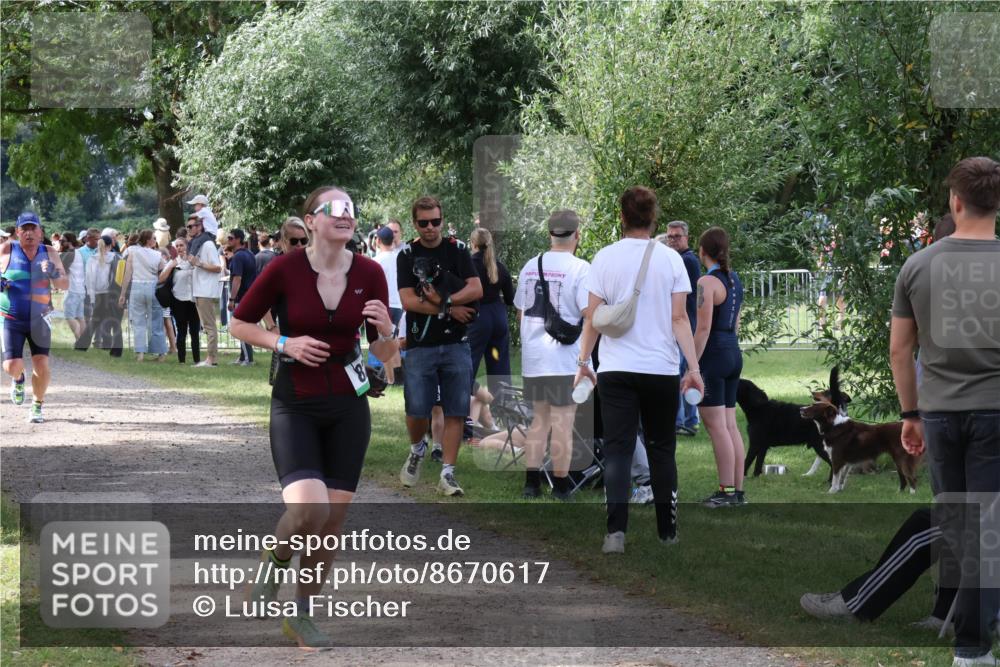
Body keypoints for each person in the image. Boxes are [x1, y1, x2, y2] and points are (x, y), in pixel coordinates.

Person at [229, 185, 396, 649]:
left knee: (332, 519)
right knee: (309, 510)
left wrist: (388, 332)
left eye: (350, 209)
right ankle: (275, 560)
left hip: (348, 407)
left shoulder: (369, 273)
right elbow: (238, 323)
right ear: (312, 219)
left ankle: (300, 615)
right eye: (334, 209)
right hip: (295, 403)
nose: (345, 215)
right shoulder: (284, 268)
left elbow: (385, 357)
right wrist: (285, 343)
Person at [889, 156, 1000, 667]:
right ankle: (973, 646)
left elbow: (899, 350)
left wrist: (910, 414)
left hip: (939, 413)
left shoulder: (918, 265)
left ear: (955, 202)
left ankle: (969, 642)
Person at [574, 186, 703, 554]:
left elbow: (593, 319)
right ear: (654, 218)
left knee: (617, 449)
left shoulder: (604, 258)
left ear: (622, 216)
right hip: (660, 369)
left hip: (616, 369)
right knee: (662, 449)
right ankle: (668, 531)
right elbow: (680, 319)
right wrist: (693, 367)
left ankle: (615, 533)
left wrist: (584, 363)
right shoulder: (671, 260)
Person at [396, 196, 483, 497]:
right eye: (424, 223)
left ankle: (448, 474)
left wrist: (443, 302)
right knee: (417, 409)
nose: (430, 228)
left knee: (456, 410)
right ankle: (418, 447)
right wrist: (448, 309)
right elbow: (408, 301)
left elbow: (476, 288)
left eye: (435, 221)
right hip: (421, 344)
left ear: (442, 221)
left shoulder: (457, 250)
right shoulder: (407, 255)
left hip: (456, 343)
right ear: (415, 223)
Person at [514, 210, 590, 499]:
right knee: (562, 422)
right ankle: (560, 485)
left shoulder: (531, 265)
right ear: (577, 234)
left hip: (535, 358)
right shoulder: (581, 268)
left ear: (550, 234)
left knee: (539, 421)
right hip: (564, 358)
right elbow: (589, 314)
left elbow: (521, 312)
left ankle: (531, 484)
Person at [693, 226, 747, 507]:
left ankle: (726, 491)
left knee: (717, 428)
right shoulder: (734, 279)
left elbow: (702, 330)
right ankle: (737, 491)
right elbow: (735, 323)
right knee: (730, 425)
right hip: (733, 353)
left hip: (713, 355)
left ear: (702, 251)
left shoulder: (706, 283)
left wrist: (691, 365)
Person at [1, 212, 69, 423]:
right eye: (24, 229)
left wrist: (54, 274)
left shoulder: (49, 252)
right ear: (17, 232)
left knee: (41, 364)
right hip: (11, 316)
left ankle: (37, 406)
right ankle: (19, 379)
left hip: (40, 317)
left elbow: (64, 285)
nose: (29, 233)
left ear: (41, 232)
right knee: (11, 365)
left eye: (33, 229)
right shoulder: (7, 249)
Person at [662, 221, 701, 436]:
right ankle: (689, 419)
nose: (673, 240)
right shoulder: (683, 259)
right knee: (685, 372)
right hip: (683, 322)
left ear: (686, 237)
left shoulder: (685, 261)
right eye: (670, 237)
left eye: (677, 236)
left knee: (676, 372)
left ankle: (679, 421)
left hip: (684, 323)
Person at [467, 227, 514, 393]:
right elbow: (510, 299)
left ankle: (469, 405)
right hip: (498, 317)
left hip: (478, 317)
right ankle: (503, 409)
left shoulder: (468, 266)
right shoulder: (500, 267)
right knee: (499, 365)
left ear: (473, 244)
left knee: (468, 365)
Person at [118, 230, 168, 362]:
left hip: (137, 286)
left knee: (138, 321)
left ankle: (140, 353)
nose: (155, 240)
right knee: (156, 321)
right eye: (154, 238)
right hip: (153, 286)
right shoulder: (158, 255)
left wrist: (123, 294)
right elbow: (163, 273)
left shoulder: (132, 252)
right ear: (148, 240)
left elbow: (127, 273)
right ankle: (161, 353)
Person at [186, 213, 223, 367]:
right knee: (207, 326)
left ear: (199, 227)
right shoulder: (197, 243)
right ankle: (210, 358)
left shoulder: (207, 244)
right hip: (200, 289)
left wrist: (199, 263)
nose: (188, 229)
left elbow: (217, 267)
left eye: (191, 226)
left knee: (209, 326)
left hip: (205, 290)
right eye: (187, 226)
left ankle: (211, 359)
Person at [160, 238, 200, 364]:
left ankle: (197, 359)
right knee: (181, 330)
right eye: (177, 246)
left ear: (187, 246)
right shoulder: (173, 262)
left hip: (193, 299)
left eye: (181, 245)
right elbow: (161, 279)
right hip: (178, 299)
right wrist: (171, 265)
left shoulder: (193, 260)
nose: (179, 248)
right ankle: (181, 360)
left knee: (194, 331)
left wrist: (193, 262)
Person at [226, 228, 258, 366]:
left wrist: (232, 299)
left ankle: (248, 359)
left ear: (239, 239)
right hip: (250, 296)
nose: (228, 240)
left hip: (242, 297)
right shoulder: (249, 254)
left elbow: (237, 279)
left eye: (231, 238)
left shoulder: (238, 256)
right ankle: (242, 356)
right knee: (246, 327)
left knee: (241, 328)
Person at [60, 232, 87, 340]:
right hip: (80, 289)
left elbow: (62, 272)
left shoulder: (68, 254)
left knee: (69, 316)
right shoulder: (78, 252)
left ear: (69, 242)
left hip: (72, 290)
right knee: (80, 317)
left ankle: (79, 340)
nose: (60, 243)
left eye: (62, 241)